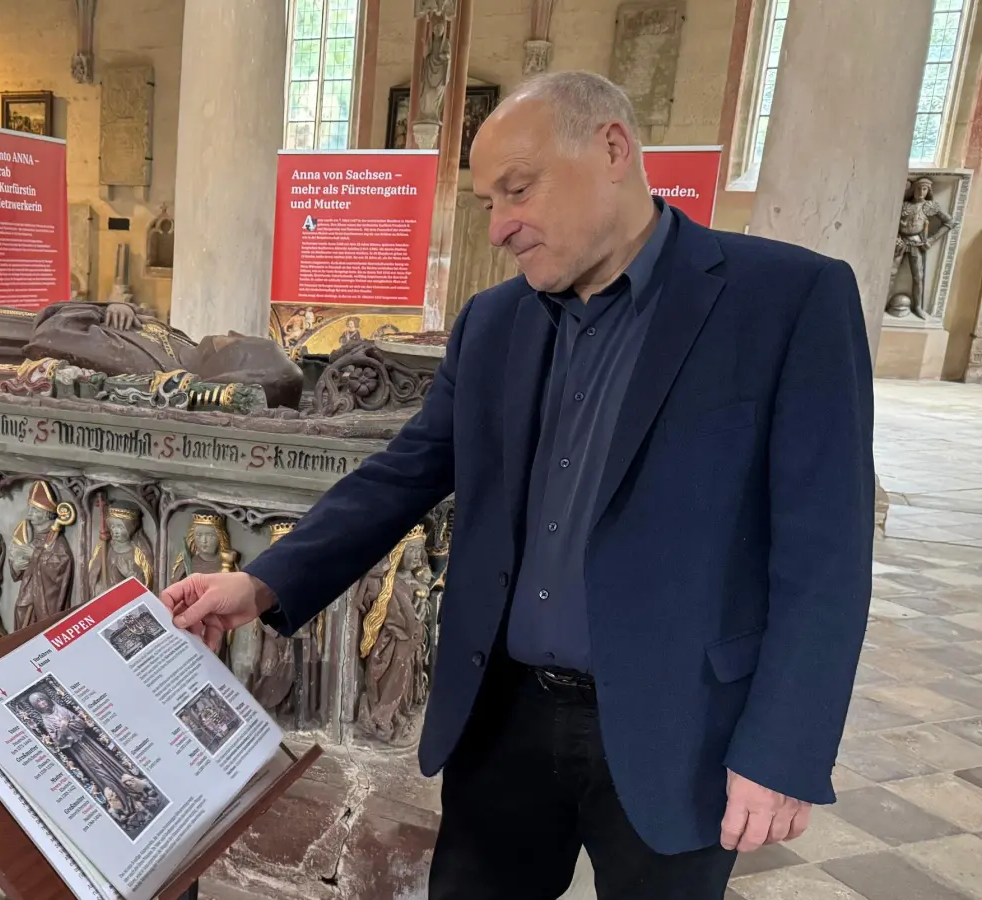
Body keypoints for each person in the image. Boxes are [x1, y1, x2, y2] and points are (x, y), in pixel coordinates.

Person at [162, 71, 873, 900]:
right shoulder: (494, 322)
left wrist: (781, 750)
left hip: (676, 722)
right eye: (487, 201)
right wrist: (260, 582)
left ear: (612, 147)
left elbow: (824, 552)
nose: (499, 226)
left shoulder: (785, 299)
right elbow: (406, 471)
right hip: (505, 718)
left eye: (518, 190)